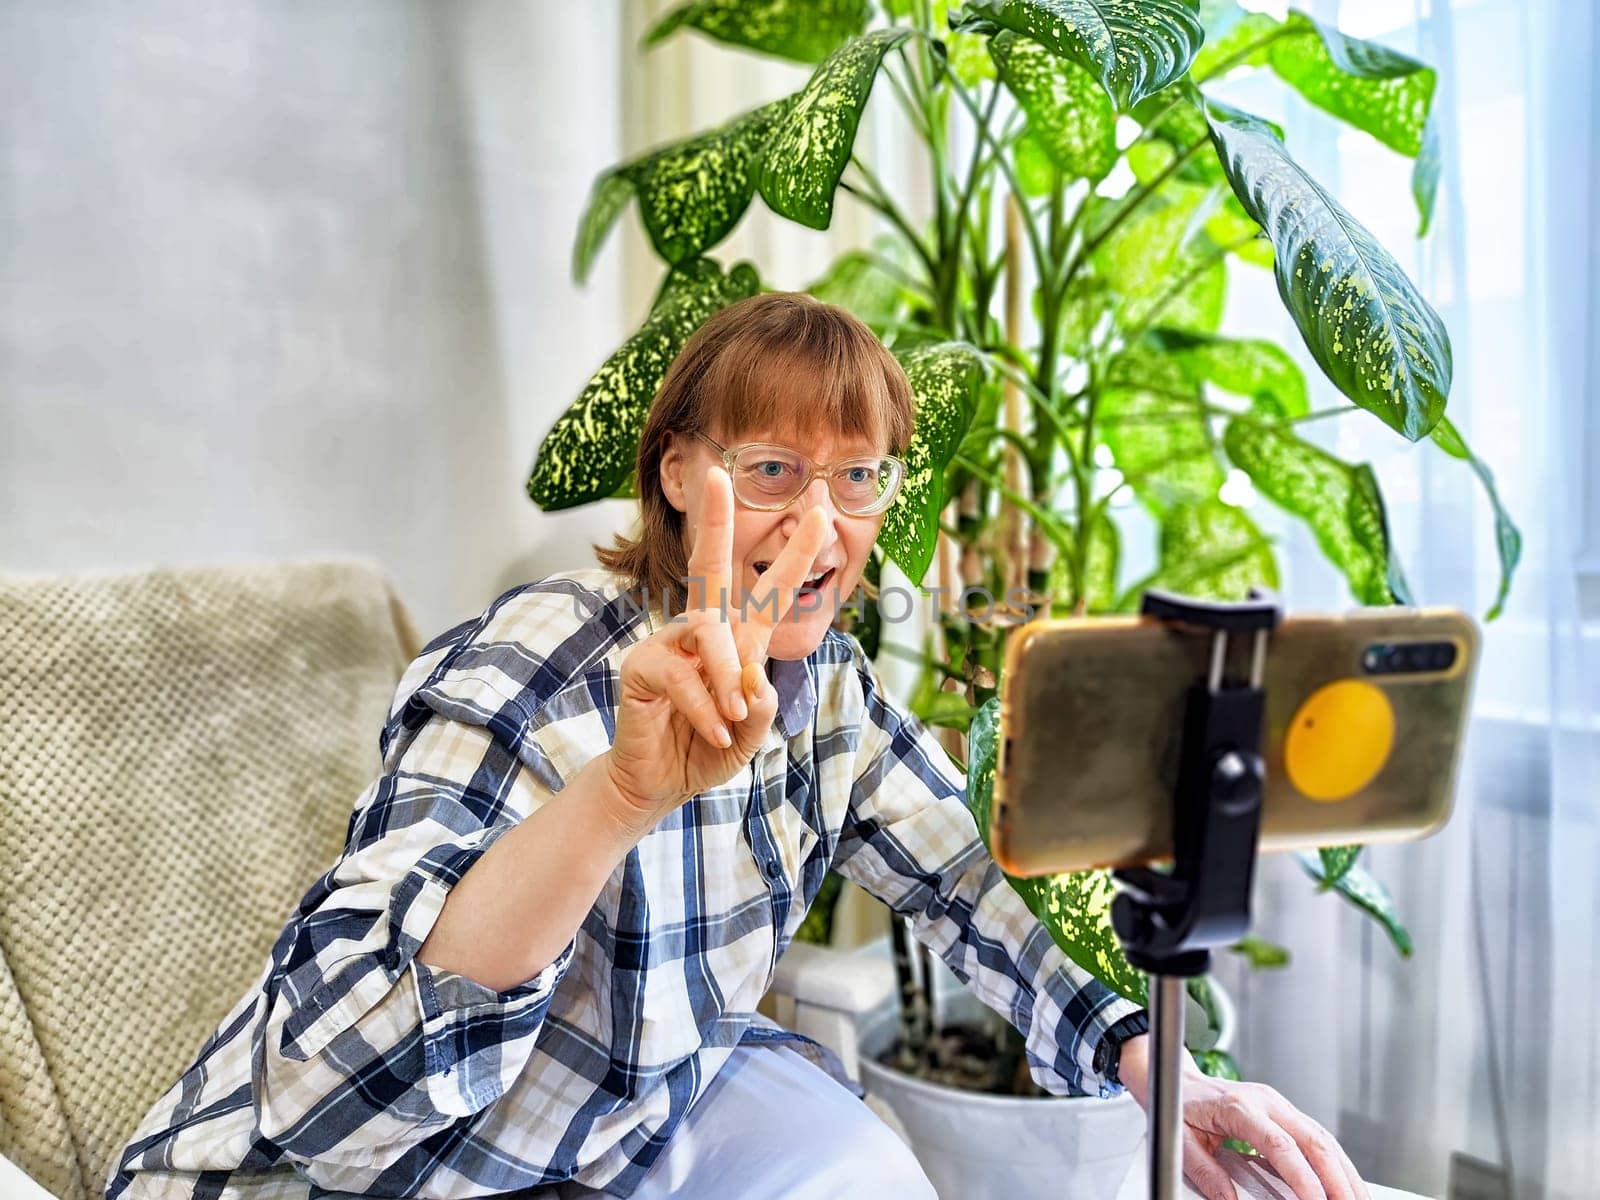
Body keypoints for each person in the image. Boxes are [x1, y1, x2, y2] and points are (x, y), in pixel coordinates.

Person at [108, 293, 1368, 1200]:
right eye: (770, 469)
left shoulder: (828, 694)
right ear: (673, 478)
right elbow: (331, 1101)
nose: (821, 529)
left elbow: (976, 881)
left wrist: (1172, 1078)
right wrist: (619, 794)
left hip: (600, 1141)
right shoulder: (532, 661)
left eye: (859, 478)